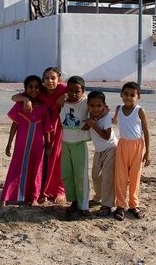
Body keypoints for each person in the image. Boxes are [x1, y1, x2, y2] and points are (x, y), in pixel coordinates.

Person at [11, 67, 66, 203]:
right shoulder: (40, 91)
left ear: (59, 79)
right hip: (43, 129)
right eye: (46, 78)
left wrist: (66, 96)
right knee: (44, 160)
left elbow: (82, 93)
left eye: (53, 78)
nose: (49, 81)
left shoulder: (64, 88)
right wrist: (25, 99)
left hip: (60, 128)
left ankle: (59, 190)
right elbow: (14, 97)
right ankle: (42, 190)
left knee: (57, 158)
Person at [1, 75, 52, 206]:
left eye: (36, 87)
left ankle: (34, 197)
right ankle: (7, 196)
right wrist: (9, 143)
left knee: (36, 169)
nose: (33, 90)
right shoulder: (20, 105)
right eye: (30, 87)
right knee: (16, 167)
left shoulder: (44, 108)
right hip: (21, 144)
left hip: (38, 146)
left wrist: (48, 145)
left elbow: (47, 130)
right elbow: (14, 125)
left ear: (40, 89)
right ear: (25, 88)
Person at [113, 82, 151, 221]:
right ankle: (120, 206)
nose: (128, 97)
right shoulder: (118, 108)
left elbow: (146, 130)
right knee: (121, 177)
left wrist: (148, 152)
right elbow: (113, 121)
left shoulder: (139, 110)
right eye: (126, 94)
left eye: (132, 95)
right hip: (122, 145)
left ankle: (134, 205)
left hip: (137, 146)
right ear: (121, 95)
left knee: (135, 177)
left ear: (138, 97)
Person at [60, 76, 91, 216]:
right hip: (65, 143)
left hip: (79, 144)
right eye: (70, 90)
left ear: (83, 91)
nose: (73, 93)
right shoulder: (62, 102)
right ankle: (73, 201)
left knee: (81, 176)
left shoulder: (86, 102)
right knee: (67, 174)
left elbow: (100, 109)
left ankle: (83, 205)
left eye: (77, 91)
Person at [85, 90, 118, 217]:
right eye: (92, 105)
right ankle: (98, 197)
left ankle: (107, 204)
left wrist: (93, 125)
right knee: (95, 175)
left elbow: (107, 136)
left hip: (111, 149)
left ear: (104, 105)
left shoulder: (105, 119)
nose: (95, 108)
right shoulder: (91, 114)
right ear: (88, 105)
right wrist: (89, 123)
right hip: (98, 150)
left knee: (108, 177)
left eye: (99, 106)